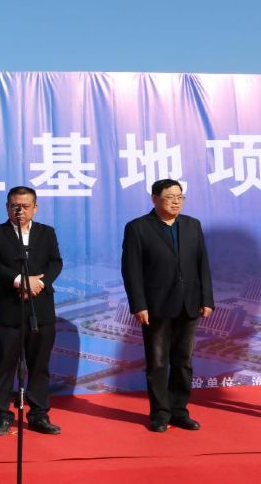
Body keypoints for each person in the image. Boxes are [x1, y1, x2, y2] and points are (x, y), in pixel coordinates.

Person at [121, 178, 213, 432]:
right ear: (155, 199)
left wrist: (206, 298)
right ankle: (160, 414)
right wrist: (139, 305)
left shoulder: (192, 225)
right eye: (170, 197)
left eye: (180, 197)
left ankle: (179, 411)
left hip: (189, 303)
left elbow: (202, 264)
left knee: (184, 361)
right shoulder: (138, 228)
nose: (176, 202)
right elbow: (131, 270)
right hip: (156, 305)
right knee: (158, 363)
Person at [0, 186, 63, 436]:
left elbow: (55, 263)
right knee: (4, 365)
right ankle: (1, 415)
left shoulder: (46, 233)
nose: (20, 210)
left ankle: (39, 414)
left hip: (41, 309)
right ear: (7, 207)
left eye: (25, 206)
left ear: (35, 208)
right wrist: (20, 280)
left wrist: (40, 283)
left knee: (39, 366)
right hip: (9, 310)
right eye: (15, 206)